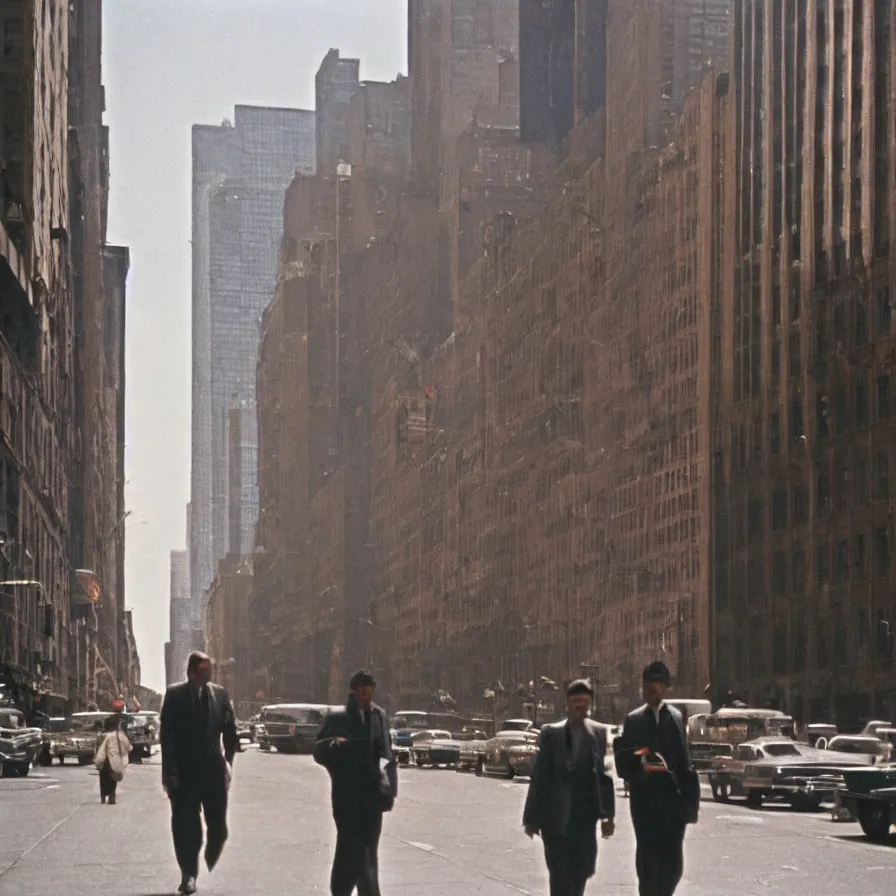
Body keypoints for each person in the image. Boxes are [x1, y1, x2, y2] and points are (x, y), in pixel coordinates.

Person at [522, 679, 616, 896]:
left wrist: (607, 816)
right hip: (555, 820)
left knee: (580, 875)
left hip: (584, 820)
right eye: (575, 701)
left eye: (584, 701)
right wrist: (531, 818)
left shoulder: (599, 733)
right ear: (567, 703)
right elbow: (540, 777)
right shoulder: (551, 733)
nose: (579, 706)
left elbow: (604, 776)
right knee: (559, 878)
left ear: (591, 703)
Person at [614, 661, 699, 896]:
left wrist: (691, 803)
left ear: (666, 688)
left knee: (673, 866)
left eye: (660, 686)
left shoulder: (675, 717)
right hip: (645, 802)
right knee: (649, 863)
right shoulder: (634, 720)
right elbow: (624, 759)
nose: (656, 691)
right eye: (651, 686)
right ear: (643, 688)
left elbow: (684, 762)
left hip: (674, 802)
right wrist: (642, 758)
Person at [160, 651, 238, 895]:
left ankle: (210, 853)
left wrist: (228, 763)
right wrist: (170, 772)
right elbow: (167, 737)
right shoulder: (174, 695)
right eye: (204, 670)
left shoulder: (220, 694)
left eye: (210, 670)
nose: (209, 674)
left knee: (219, 830)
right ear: (191, 672)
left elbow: (230, 732)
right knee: (187, 828)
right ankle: (188, 876)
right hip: (184, 774)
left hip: (213, 772)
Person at [313, 670, 398, 896]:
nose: (365, 698)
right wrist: (335, 744)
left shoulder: (379, 716)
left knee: (369, 851)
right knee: (351, 849)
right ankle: (343, 890)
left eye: (369, 693)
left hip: (373, 797)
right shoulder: (337, 717)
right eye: (361, 693)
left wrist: (389, 792)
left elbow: (387, 756)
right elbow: (318, 751)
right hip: (347, 797)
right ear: (352, 692)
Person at [94, 713, 131, 805]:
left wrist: (96, 759)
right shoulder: (118, 735)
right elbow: (126, 746)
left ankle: (103, 796)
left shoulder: (101, 735)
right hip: (114, 759)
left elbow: (97, 748)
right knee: (113, 778)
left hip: (103, 760)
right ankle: (112, 796)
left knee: (103, 778)